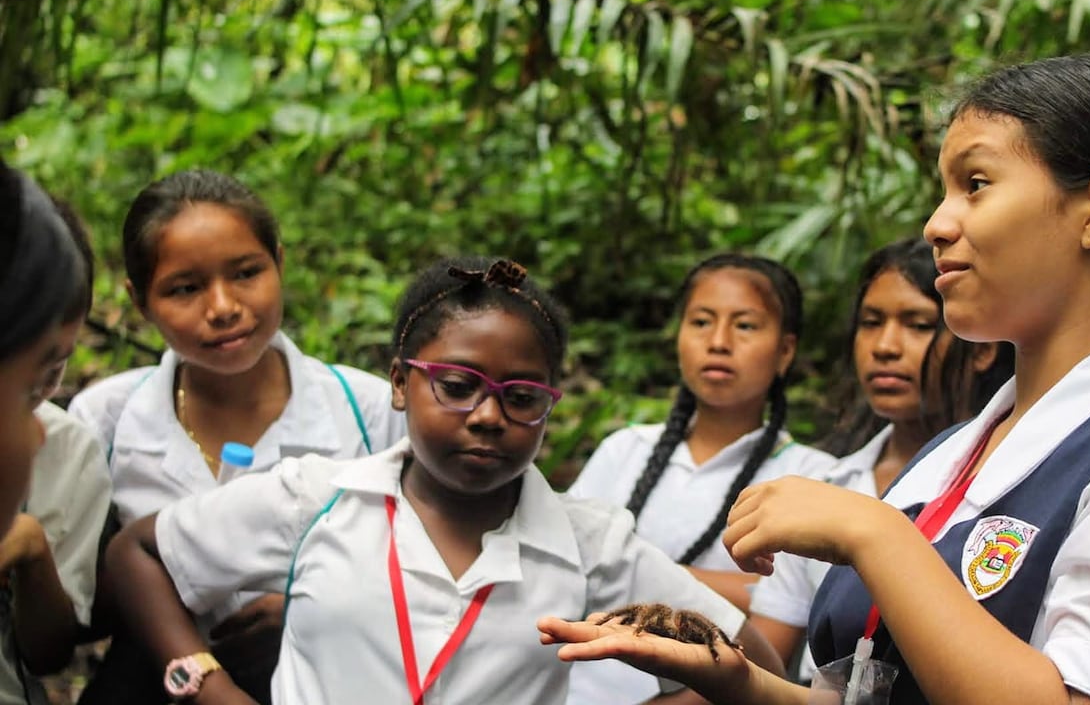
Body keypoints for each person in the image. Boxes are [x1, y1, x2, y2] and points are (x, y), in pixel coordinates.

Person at [539, 52, 1090, 705]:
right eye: (945, 189)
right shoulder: (959, 450)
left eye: (976, 183)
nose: (937, 222)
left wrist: (875, 533)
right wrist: (740, 684)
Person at [102, 256, 782, 705]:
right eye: (457, 386)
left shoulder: (589, 542)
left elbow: (750, 662)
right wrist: (207, 684)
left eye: (521, 397)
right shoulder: (317, 497)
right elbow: (138, 552)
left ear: (549, 408)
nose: (488, 416)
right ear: (400, 383)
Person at [69, 169, 405, 703]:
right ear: (139, 301)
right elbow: (79, 608)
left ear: (279, 260)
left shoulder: (369, 412)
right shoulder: (106, 420)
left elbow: (441, 563)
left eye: (246, 273)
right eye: (185, 288)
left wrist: (315, 606)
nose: (223, 306)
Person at [566, 254, 835, 704]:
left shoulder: (812, 477)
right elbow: (563, 574)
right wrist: (730, 589)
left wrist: (641, 571)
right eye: (701, 322)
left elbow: (771, 637)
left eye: (745, 325)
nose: (719, 342)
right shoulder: (624, 451)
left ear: (785, 351)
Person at [748, 237, 1013, 684]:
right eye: (871, 322)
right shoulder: (821, 488)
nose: (885, 346)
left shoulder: (1014, 483)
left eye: (918, 324)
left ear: (982, 346)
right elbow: (765, 659)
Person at [0, 196, 112, 705]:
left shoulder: (67, 448)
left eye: (53, 370)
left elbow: (47, 654)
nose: (34, 430)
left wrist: (31, 548)